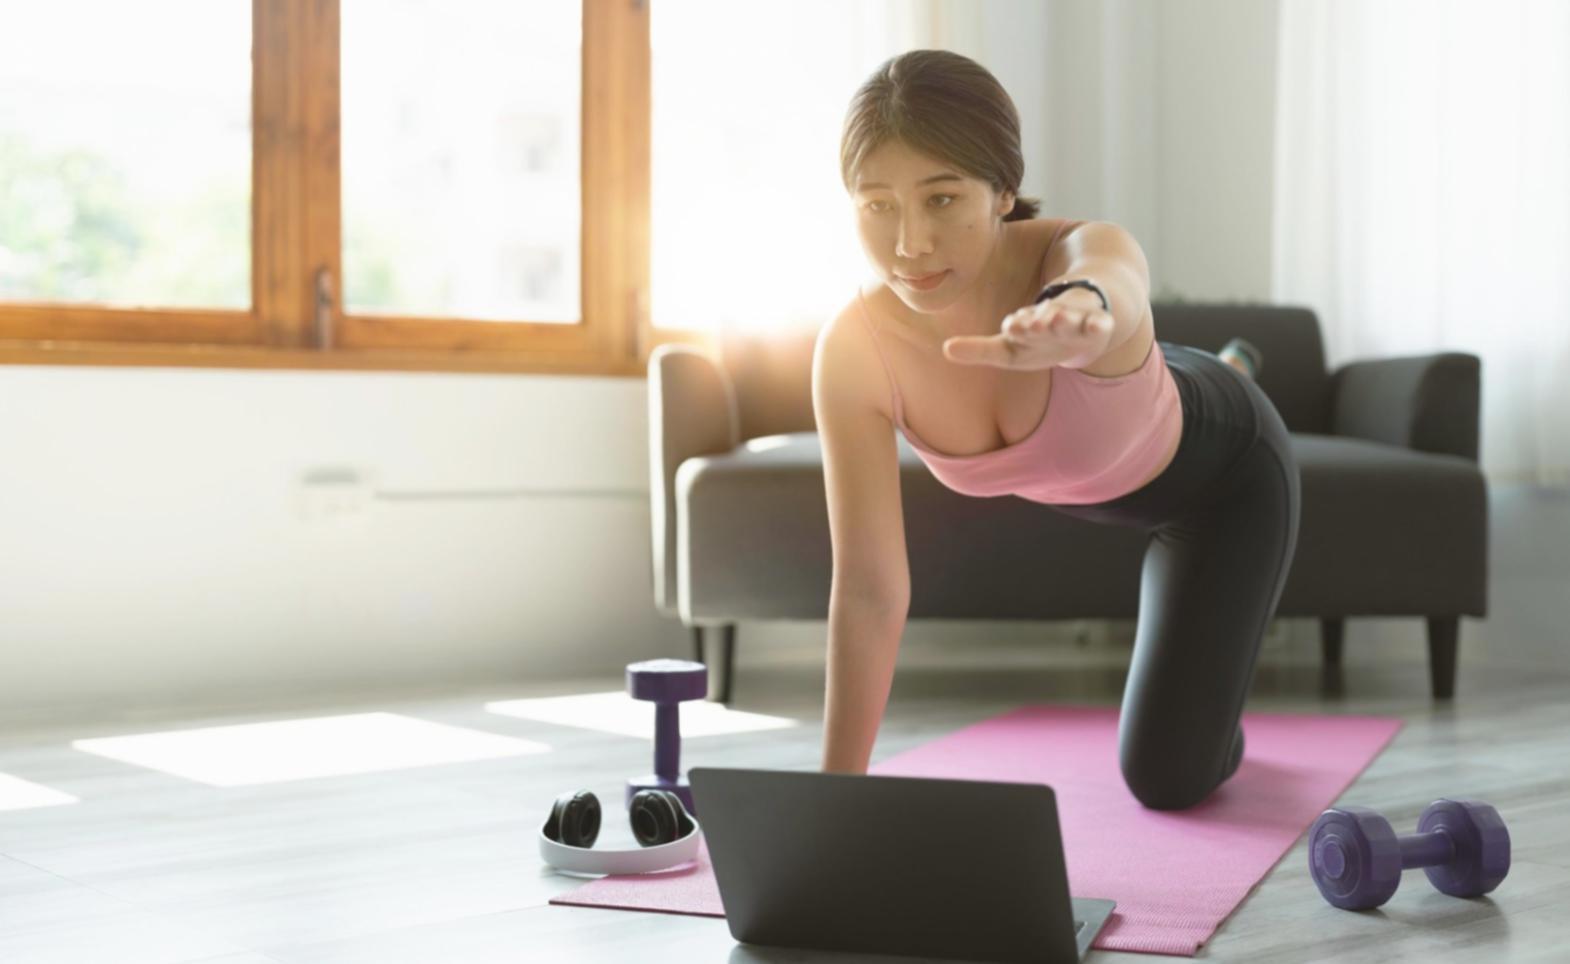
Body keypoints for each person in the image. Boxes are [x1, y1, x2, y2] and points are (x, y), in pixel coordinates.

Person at [813, 49, 1301, 811]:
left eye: (941, 199)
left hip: (1227, 472)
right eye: (878, 205)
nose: (909, 243)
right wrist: (832, 802)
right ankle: (1223, 362)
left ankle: (1232, 372)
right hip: (1119, 448)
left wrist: (1085, 313)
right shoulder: (853, 351)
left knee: (1169, 779)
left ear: (1003, 189)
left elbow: (1114, 280)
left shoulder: (1075, 260)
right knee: (1150, 377)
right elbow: (872, 589)